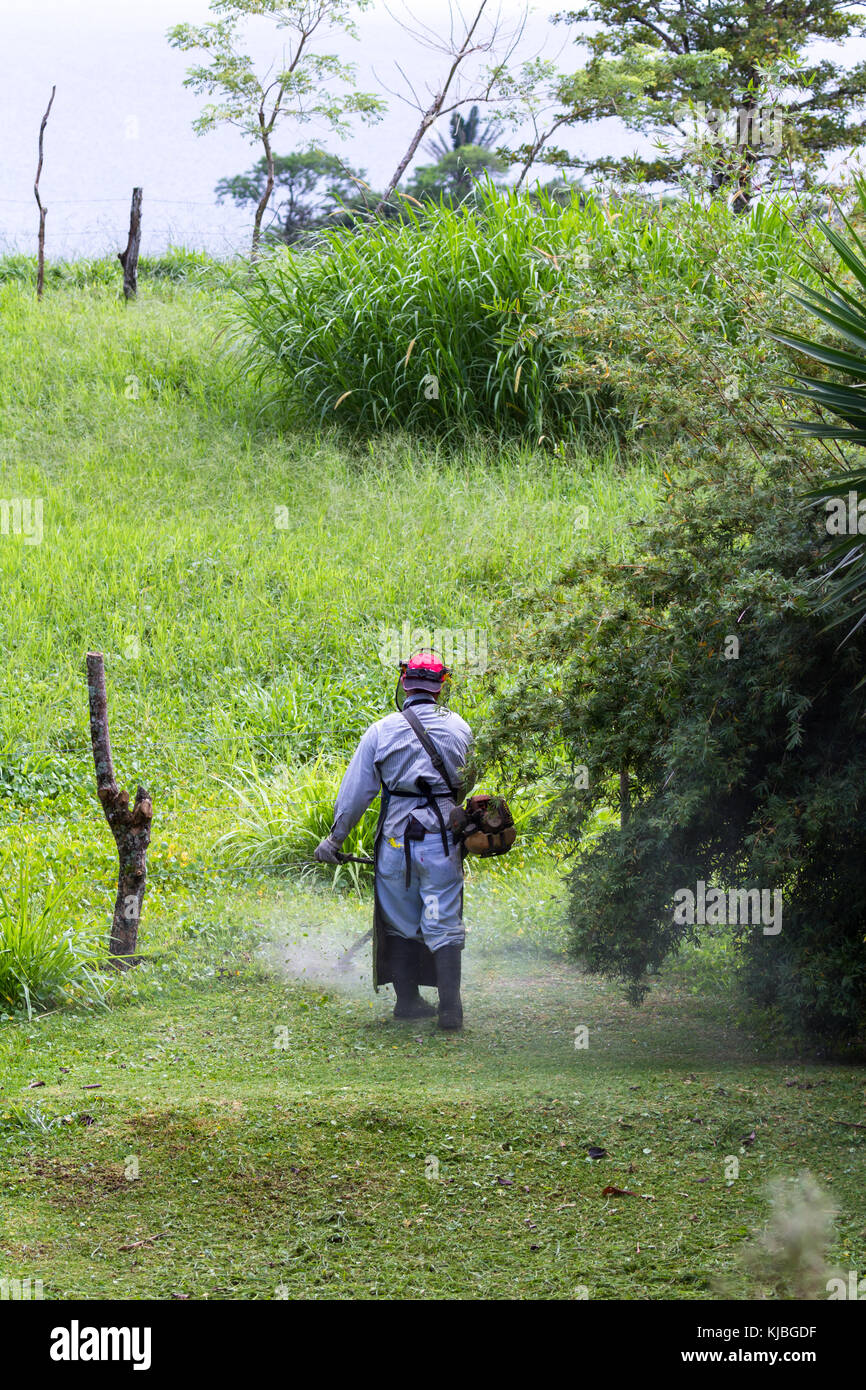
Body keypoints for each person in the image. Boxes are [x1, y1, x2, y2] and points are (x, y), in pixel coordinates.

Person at [315, 651, 473, 1029]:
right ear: (442, 687)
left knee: (401, 923)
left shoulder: (381, 730)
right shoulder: (460, 729)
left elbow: (355, 794)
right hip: (441, 842)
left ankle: (408, 1001)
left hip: (396, 844)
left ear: (404, 682)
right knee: (443, 920)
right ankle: (450, 1008)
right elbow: (467, 785)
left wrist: (334, 841)